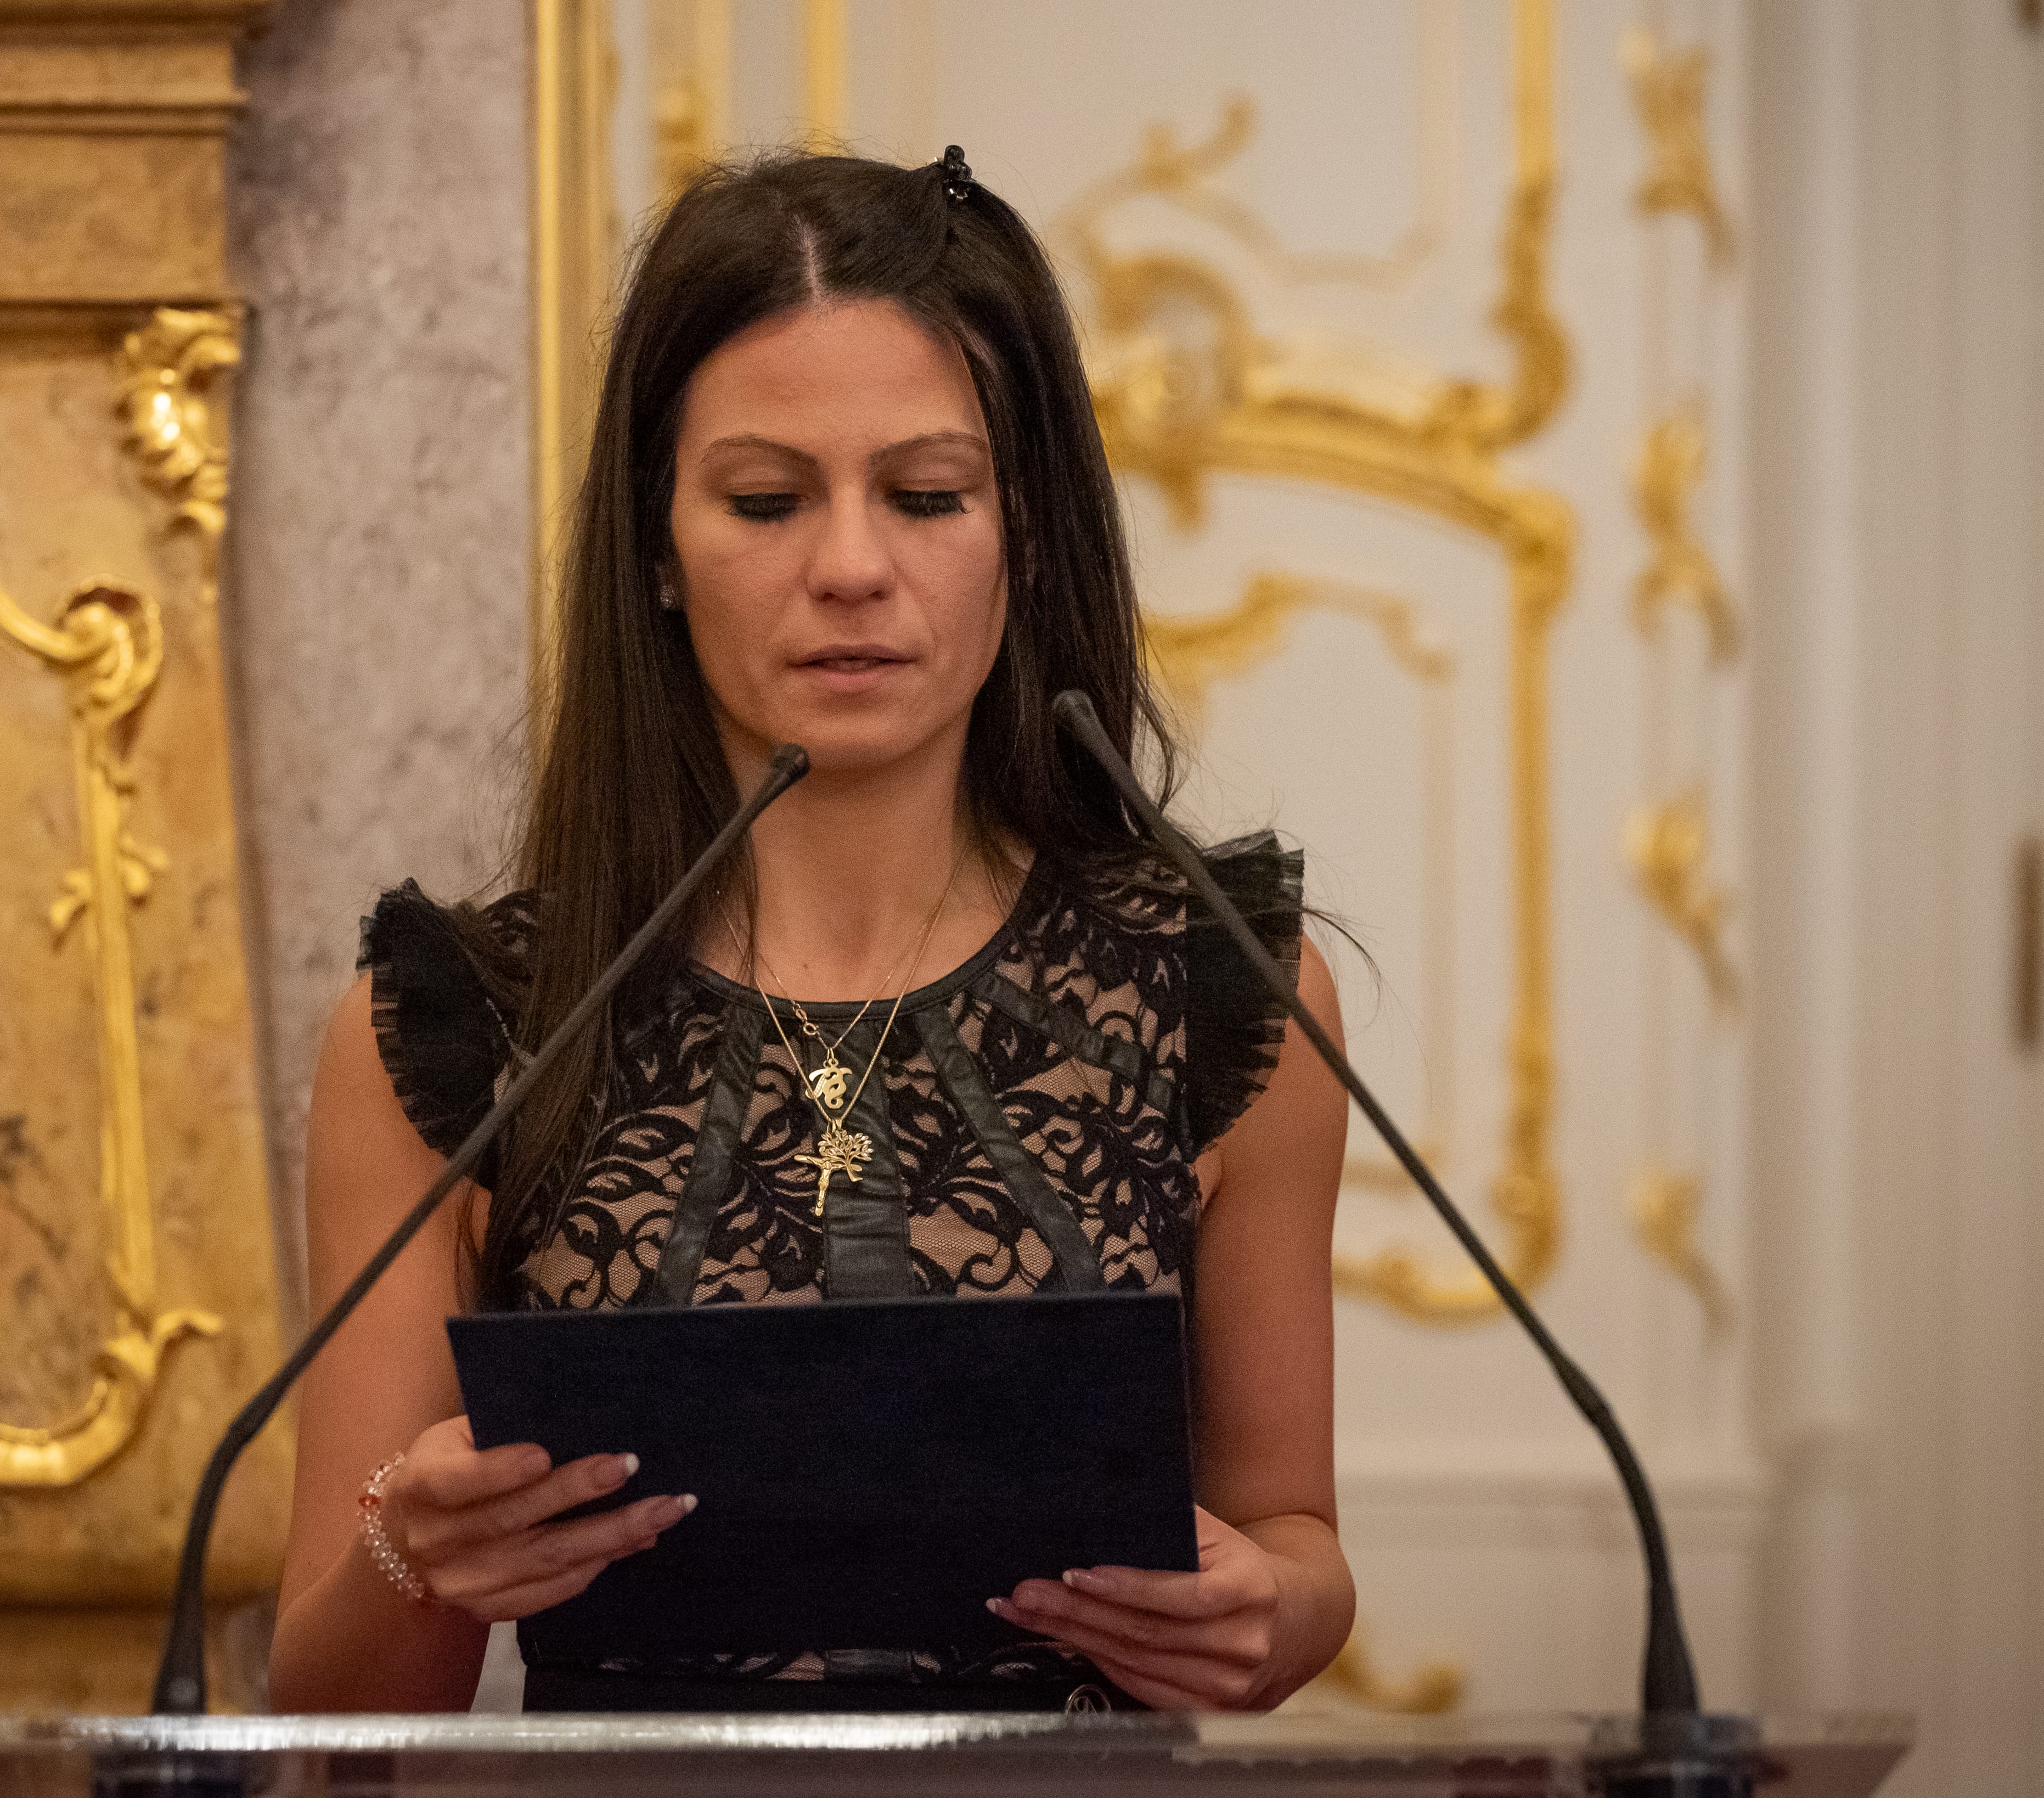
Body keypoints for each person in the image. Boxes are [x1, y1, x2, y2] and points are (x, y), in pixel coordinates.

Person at [264, 147, 1354, 1715]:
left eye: (928, 496)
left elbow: (1294, 1541)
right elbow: (329, 1711)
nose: (851, 569)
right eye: (766, 502)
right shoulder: (458, 1026)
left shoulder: (1219, 987)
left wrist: (1271, 1617)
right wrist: (410, 1557)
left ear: (1026, 529)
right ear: (656, 546)